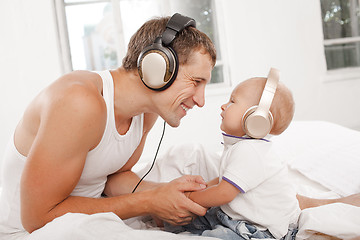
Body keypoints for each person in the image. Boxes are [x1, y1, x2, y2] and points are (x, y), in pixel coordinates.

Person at [0, 13, 216, 238]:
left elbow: (115, 178)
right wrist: (150, 201)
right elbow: (37, 218)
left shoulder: (147, 111)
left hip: (93, 213)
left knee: (192, 155)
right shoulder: (78, 102)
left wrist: (169, 195)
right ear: (158, 67)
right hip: (31, 230)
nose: (201, 101)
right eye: (196, 82)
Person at [164, 70, 301, 239]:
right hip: (238, 218)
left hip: (261, 230)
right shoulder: (242, 146)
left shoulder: (250, 151)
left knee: (217, 234)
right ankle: (165, 222)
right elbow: (224, 181)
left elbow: (224, 193)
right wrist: (201, 188)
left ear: (256, 118)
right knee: (191, 217)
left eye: (232, 101)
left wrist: (191, 197)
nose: (223, 105)